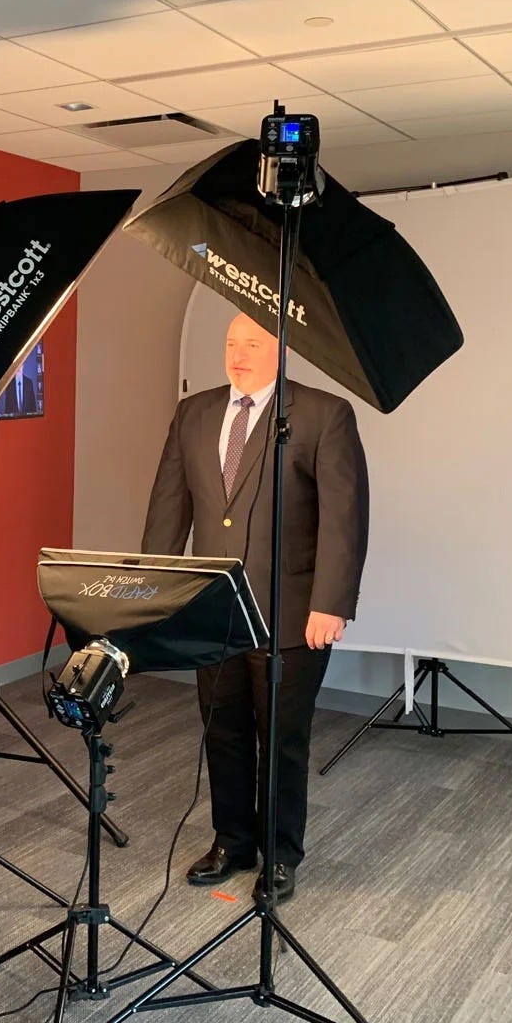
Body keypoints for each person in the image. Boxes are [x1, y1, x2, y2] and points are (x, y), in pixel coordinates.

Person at [142, 311, 368, 903]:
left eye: (253, 344)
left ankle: (280, 852)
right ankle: (233, 841)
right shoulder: (194, 413)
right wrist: (155, 594)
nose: (238, 355)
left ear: (283, 350)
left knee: (283, 738)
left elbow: (344, 521)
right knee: (224, 732)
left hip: (291, 613)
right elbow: (169, 508)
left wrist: (331, 604)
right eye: (230, 343)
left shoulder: (322, 414)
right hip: (213, 613)